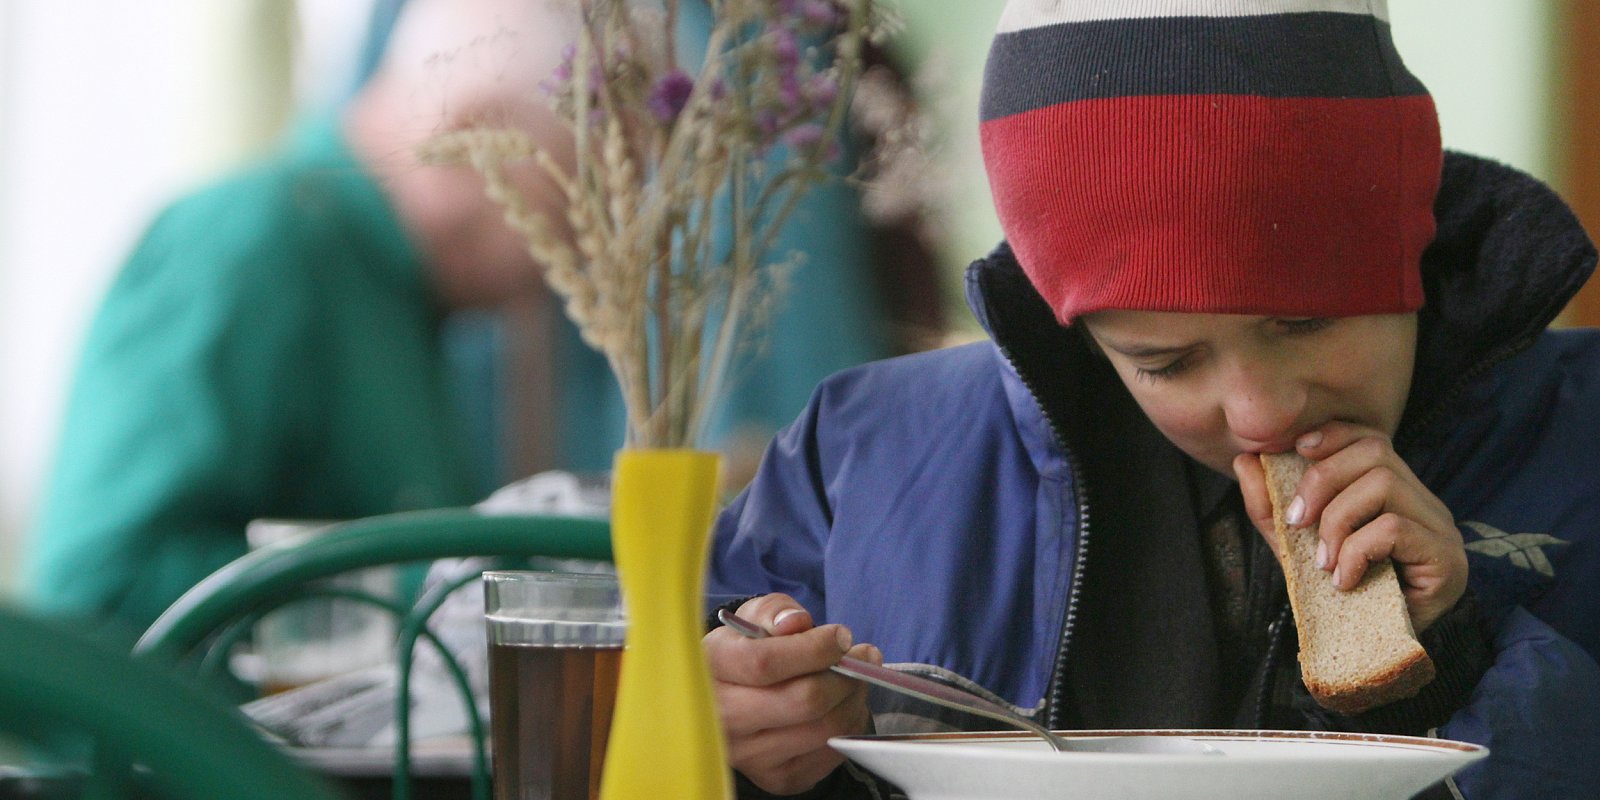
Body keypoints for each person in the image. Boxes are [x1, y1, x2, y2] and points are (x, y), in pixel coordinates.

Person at [702, 3, 1600, 799]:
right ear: (1080, 334)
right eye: (1166, 363)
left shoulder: (1580, 434)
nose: (1257, 412)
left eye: (1305, 322)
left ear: (1410, 256)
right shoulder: (861, 451)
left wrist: (1453, 659)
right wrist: (741, 752)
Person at [23, 0, 579, 634]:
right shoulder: (250, 242)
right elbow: (98, 593)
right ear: (475, 134)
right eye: (569, 204)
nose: (572, 258)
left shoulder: (403, 304)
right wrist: (443, 597)